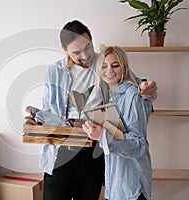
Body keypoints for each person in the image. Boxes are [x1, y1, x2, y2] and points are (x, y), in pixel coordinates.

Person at [39, 20, 157, 200]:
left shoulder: (104, 62)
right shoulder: (54, 71)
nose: (85, 55)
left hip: (95, 147)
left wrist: (150, 90)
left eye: (87, 47)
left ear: (91, 40)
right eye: (77, 52)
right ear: (65, 51)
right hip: (61, 151)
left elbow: (137, 85)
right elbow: (48, 109)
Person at [82, 46, 153, 200]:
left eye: (115, 65)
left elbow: (139, 145)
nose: (109, 71)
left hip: (131, 187)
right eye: (104, 66)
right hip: (115, 187)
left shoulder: (133, 96)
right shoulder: (109, 96)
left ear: (125, 68)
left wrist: (103, 137)